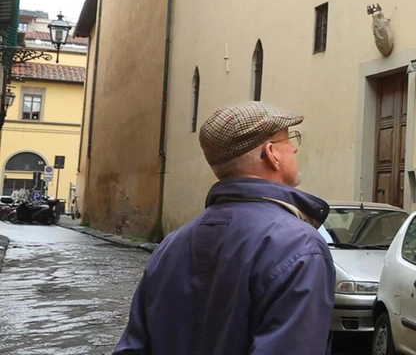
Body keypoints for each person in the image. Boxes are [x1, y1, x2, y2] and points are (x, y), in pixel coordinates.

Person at [115, 102, 335, 354]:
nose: (294, 148)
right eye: (289, 139)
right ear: (272, 153)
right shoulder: (299, 246)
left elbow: (133, 347)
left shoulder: (171, 244)